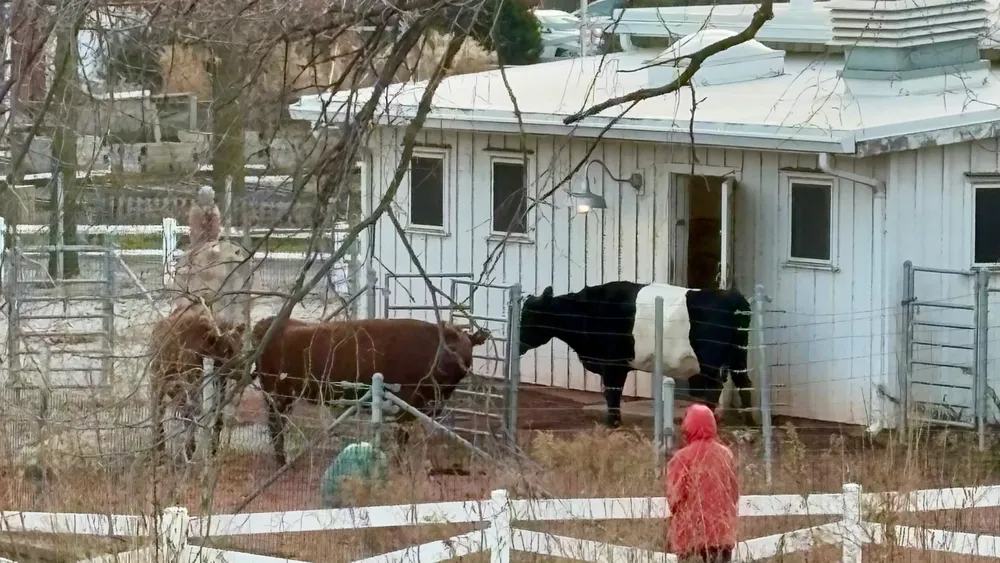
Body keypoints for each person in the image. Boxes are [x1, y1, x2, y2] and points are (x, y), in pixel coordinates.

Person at [665, 404, 740, 563]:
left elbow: (674, 498)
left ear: (687, 427)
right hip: (722, 535)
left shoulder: (682, 458)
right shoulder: (726, 455)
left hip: (691, 537)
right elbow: (733, 493)